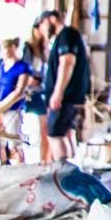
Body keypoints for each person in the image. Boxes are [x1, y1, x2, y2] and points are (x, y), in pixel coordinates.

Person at [38, 10, 90, 161]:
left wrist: (58, 92)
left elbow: (67, 63)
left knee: (55, 135)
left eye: (43, 24)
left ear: (52, 19)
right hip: (68, 97)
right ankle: (70, 172)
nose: (42, 29)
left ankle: (63, 175)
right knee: (65, 133)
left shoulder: (67, 35)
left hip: (65, 97)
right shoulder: (65, 36)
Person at [0, 38, 30, 164]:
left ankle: (21, 171)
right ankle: (4, 169)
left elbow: (19, 91)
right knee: (1, 143)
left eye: (10, 47)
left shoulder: (22, 67)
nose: (7, 51)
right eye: (5, 48)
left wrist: (3, 106)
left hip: (13, 109)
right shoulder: (0, 65)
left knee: (14, 143)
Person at [22, 20, 50, 161]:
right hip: (28, 90)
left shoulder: (45, 49)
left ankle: (43, 160)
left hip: (41, 90)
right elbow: (25, 67)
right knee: (23, 126)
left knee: (44, 127)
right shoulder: (28, 47)